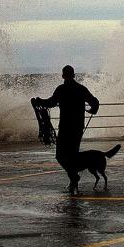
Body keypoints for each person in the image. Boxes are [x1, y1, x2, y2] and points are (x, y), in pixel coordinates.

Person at [32, 65, 99, 193]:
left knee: (60, 156)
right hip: (78, 127)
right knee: (73, 155)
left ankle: (74, 178)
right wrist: (92, 110)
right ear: (74, 75)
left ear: (63, 76)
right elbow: (95, 102)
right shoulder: (81, 89)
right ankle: (74, 179)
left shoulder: (61, 89)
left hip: (65, 128)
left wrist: (39, 101)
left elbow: (51, 103)